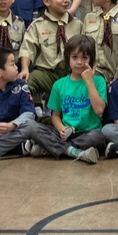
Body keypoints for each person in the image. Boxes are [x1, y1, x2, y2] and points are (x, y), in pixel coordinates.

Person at [25, 34, 107, 164]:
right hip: (65, 133)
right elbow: (55, 116)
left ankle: (49, 149)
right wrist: (61, 128)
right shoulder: (59, 84)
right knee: (34, 129)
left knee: (98, 137)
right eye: (75, 57)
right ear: (68, 58)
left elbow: (99, 110)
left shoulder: (98, 81)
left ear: (91, 60)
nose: (79, 62)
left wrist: (89, 82)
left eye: (84, 58)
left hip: (88, 133)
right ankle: (76, 152)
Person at [18, 0, 84, 103]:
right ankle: (32, 111)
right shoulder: (37, 25)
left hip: (72, 73)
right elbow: (28, 49)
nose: (66, 0)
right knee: (26, 83)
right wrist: (25, 68)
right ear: (46, 1)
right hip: (46, 74)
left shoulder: (77, 24)